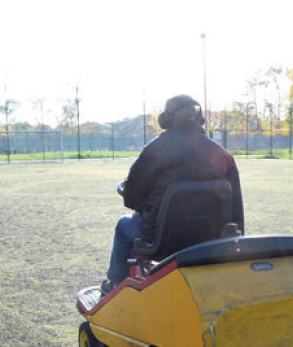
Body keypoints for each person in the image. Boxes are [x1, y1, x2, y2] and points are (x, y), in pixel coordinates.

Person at [101, 94, 243, 294]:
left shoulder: (155, 149)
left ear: (166, 119)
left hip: (160, 238)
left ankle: (115, 284)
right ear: (199, 118)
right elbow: (236, 208)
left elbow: (131, 199)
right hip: (209, 238)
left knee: (124, 225)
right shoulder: (222, 154)